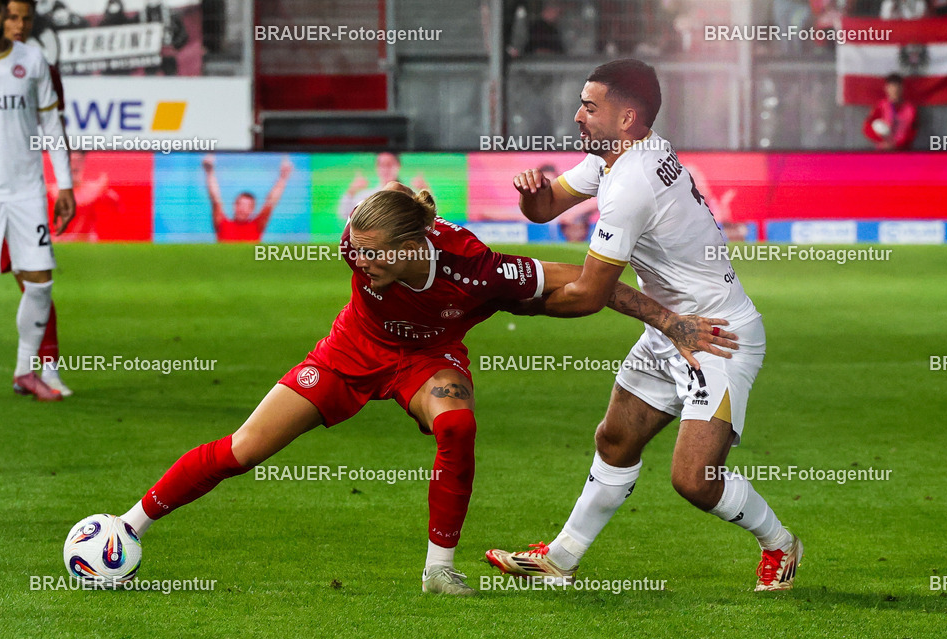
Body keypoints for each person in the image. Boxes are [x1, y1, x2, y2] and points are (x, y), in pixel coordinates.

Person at [116, 183, 738, 596]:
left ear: (415, 245)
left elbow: (577, 283)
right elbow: (370, 256)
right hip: (350, 351)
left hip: (427, 359)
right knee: (245, 448)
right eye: (355, 253)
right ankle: (126, 527)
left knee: (457, 426)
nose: (360, 264)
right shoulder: (361, 240)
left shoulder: (474, 264)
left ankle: (439, 571)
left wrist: (671, 320)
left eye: (374, 256)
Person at [485, 59, 803, 592]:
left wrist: (508, 298)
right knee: (614, 439)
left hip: (714, 337)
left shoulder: (631, 184)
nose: (578, 115)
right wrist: (529, 193)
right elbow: (544, 209)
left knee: (694, 481)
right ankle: (561, 559)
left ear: (627, 117)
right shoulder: (620, 156)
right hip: (672, 327)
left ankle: (780, 543)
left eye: (590, 107)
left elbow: (589, 295)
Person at [0, 0, 75, 402]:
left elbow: (51, 123)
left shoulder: (36, 63)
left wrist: (64, 184)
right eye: (12, 16)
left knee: (38, 281)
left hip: (25, 191)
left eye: (26, 18)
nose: (19, 24)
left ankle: (39, 368)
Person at [203, 154, 292, 242]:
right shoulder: (222, 224)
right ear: (234, 206)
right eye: (240, 204)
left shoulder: (256, 226)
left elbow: (270, 202)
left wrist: (283, 178)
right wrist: (209, 172)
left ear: (252, 210)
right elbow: (215, 200)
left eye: (247, 206)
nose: (242, 209)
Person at [337, 152, 427, 222]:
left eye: (389, 164)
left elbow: (428, 219)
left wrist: (426, 192)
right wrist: (352, 191)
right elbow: (345, 215)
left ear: (398, 166)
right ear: (377, 167)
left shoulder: (413, 196)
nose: (386, 169)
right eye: (382, 164)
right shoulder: (365, 196)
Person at [863, 73, 918, 151]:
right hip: (883, 151)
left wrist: (897, 144)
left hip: (903, 151)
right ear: (886, 88)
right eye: (892, 88)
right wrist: (882, 141)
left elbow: (912, 132)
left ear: (902, 88)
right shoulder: (881, 106)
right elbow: (867, 128)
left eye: (897, 88)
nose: (894, 91)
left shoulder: (911, 109)